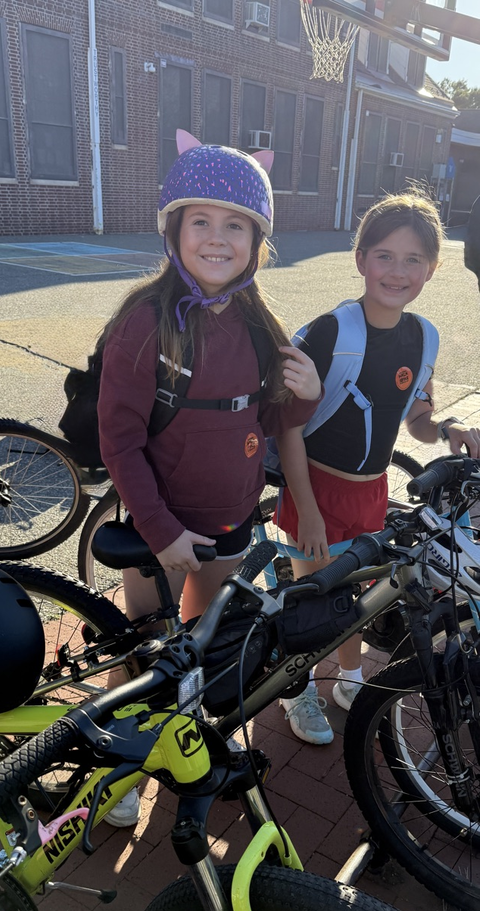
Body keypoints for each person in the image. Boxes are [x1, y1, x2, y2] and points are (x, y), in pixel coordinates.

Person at [97, 129, 322, 823]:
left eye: (236, 225)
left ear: (257, 241)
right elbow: (119, 438)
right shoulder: (147, 320)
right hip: (157, 524)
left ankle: (183, 738)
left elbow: (282, 415)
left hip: (231, 522)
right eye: (202, 221)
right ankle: (120, 767)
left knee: (199, 642)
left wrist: (308, 391)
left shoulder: (261, 324)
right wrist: (161, 531)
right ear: (174, 230)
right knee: (139, 648)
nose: (218, 238)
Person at [274, 186, 480, 745]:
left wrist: (447, 431)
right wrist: (309, 512)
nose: (397, 270)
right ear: (360, 259)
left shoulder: (423, 337)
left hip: (371, 490)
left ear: (433, 269)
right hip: (312, 488)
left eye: (413, 259)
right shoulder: (330, 332)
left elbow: (415, 419)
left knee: (359, 599)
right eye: (384, 255)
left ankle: (349, 678)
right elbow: (288, 425)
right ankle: (299, 695)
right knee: (311, 600)